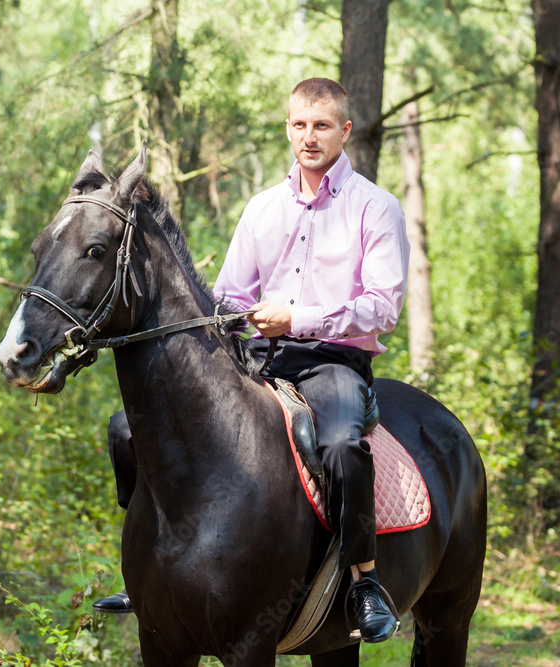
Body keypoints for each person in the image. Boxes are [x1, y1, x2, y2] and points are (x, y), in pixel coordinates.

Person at [94, 78, 409, 645]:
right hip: (256, 356)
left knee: (340, 444)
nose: (308, 138)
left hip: (331, 362)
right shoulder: (263, 207)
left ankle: (364, 581)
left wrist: (298, 317)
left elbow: (382, 309)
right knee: (127, 430)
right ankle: (148, 568)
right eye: (298, 125)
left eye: (320, 126)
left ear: (345, 130)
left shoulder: (377, 208)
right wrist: (228, 315)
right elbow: (233, 294)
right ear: (288, 127)